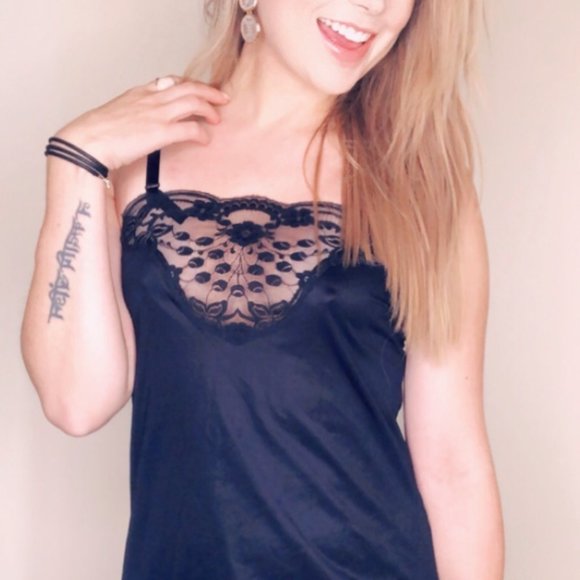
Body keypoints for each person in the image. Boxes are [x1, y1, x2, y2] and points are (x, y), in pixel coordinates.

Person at [21, 0, 505, 578]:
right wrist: (76, 163)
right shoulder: (136, 165)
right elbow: (76, 402)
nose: (376, 5)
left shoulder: (420, 188)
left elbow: (452, 464)